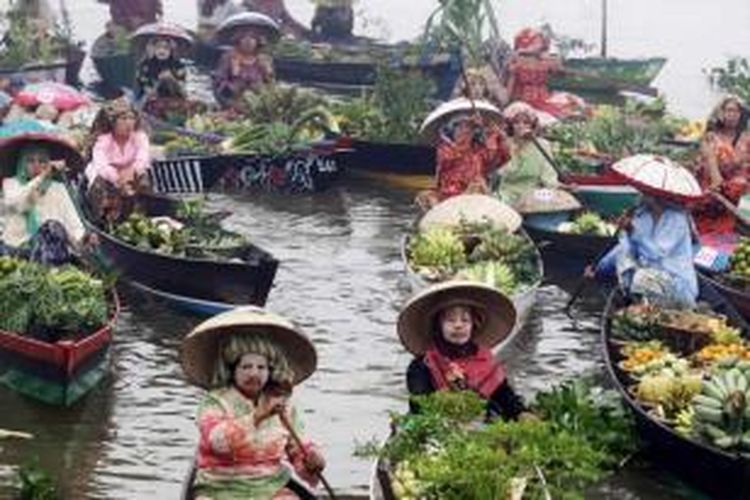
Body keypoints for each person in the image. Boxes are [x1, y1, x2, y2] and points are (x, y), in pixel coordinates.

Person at [181, 307, 326, 499]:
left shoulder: (282, 404)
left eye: (261, 367)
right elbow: (218, 442)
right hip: (219, 489)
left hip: (269, 488)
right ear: (233, 370)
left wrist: (311, 458)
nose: (254, 374)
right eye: (246, 367)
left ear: (270, 371)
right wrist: (257, 416)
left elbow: (297, 447)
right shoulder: (215, 402)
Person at [398, 281, 527, 420]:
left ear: (473, 325)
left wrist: (522, 413)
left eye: (465, 320)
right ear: (438, 326)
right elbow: (420, 406)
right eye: (450, 320)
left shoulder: (485, 361)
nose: (458, 325)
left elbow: (505, 397)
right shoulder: (422, 365)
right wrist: (456, 393)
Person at [589, 194, 699, 309]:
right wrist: (598, 269)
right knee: (624, 262)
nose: (640, 195)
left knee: (639, 277)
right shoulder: (641, 217)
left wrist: (632, 231)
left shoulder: (677, 219)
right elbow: (625, 250)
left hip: (677, 286)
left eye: (646, 192)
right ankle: (634, 302)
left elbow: (656, 253)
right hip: (649, 284)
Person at [1, 136, 86, 260]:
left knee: (53, 227)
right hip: (17, 248)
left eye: (42, 161)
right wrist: (40, 178)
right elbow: (18, 203)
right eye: (31, 161)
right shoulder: (11, 183)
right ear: (22, 163)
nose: (37, 165)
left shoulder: (59, 188)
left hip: (49, 249)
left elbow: (73, 222)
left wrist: (83, 238)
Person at [84, 99, 151, 224]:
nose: (128, 123)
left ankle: (138, 215)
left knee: (144, 179)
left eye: (131, 118)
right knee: (100, 184)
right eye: (123, 119)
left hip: (130, 173)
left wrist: (132, 171)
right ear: (113, 122)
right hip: (107, 175)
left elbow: (143, 157)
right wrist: (116, 178)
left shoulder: (139, 137)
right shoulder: (104, 140)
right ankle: (99, 219)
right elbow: (101, 164)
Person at [692, 95, 750, 235]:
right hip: (713, 196)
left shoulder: (747, 139)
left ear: (741, 115)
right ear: (721, 113)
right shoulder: (711, 137)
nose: (732, 115)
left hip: (738, 200)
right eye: (729, 110)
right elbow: (703, 165)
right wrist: (716, 171)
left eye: (736, 111)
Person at [505, 28, 587, 124]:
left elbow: (561, 71)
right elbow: (511, 83)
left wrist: (577, 73)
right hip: (526, 100)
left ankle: (571, 116)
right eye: (536, 41)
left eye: (540, 41)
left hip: (545, 97)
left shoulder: (546, 60)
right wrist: (507, 101)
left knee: (572, 100)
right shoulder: (517, 60)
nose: (540, 44)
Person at [492, 102, 559, 206]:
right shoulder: (505, 144)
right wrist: (516, 149)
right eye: (516, 122)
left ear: (532, 125)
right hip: (507, 194)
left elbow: (549, 175)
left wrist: (558, 187)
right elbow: (504, 172)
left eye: (526, 122)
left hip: (533, 195)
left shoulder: (542, 145)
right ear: (510, 125)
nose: (521, 126)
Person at [213, 15, 278, 108]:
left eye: (252, 37)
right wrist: (234, 80)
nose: (248, 41)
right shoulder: (229, 57)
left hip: (258, 102)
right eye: (244, 37)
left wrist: (267, 73)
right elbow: (219, 84)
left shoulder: (264, 59)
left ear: (258, 41)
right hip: (233, 100)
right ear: (238, 40)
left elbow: (271, 85)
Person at [135, 35, 188, 101]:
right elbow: (144, 86)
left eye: (166, 48)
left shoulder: (178, 65)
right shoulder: (145, 65)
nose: (161, 51)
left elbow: (182, 89)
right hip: (150, 97)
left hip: (173, 95)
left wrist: (171, 78)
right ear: (153, 49)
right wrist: (158, 82)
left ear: (171, 50)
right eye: (158, 47)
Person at [241, 0, 309, 38]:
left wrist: (303, 30)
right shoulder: (250, 2)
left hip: (274, 34)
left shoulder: (277, 2)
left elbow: (287, 19)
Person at [98, 0, 163, 32]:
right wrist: (129, 22)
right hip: (126, 27)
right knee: (114, 28)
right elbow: (116, 16)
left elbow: (159, 11)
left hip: (148, 27)